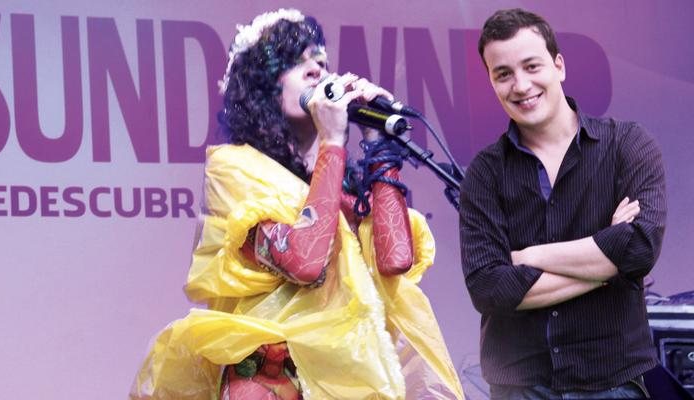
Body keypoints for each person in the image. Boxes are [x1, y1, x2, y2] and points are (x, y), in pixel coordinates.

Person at [129, 9, 463, 400]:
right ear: (261, 88)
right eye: (294, 62)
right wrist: (333, 142)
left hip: (348, 377)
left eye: (321, 62)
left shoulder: (342, 181)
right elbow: (305, 264)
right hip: (274, 378)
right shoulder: (234, 167)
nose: (316, 71)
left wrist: (377, 143)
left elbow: (395, 260)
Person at [459, 8, 667, 400]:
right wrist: (609, 263)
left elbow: (639, 249)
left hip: (612, 382)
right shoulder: (484, 174)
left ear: (559, 66)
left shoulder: (628, 146)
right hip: (519, 386)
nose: (520, 85)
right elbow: (489, 288)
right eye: (503, 74)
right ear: (491, 81)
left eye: (531, 66)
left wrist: (527, 257)